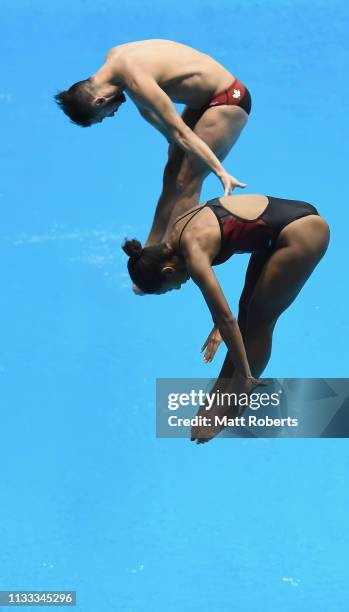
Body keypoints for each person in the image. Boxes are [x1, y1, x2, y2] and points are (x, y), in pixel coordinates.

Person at [122, 193, 330, 443]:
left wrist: (244, 375)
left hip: (304, 233)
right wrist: (218, 323)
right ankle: (218, 398)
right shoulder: (177, 231)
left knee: (260, 320)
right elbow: (225, 315)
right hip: (282, 226)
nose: (178, 288)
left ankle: (234, 401)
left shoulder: (194, 254)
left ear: (168, 270)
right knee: (246, 308)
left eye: (172, 287)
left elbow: (226, 320)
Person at [55, 39, 251, 245]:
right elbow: (147, 110)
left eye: (104, 116)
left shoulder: (135, 79)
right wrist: (170, 140)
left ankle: (172, 259)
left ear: (99, 102)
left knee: (187, 180)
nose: (112, 116)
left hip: (228, 98)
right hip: (201, 101)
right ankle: (150, 253)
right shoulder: (114, 63)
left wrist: (220, 172)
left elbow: (181, 134)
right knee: (171, 176)